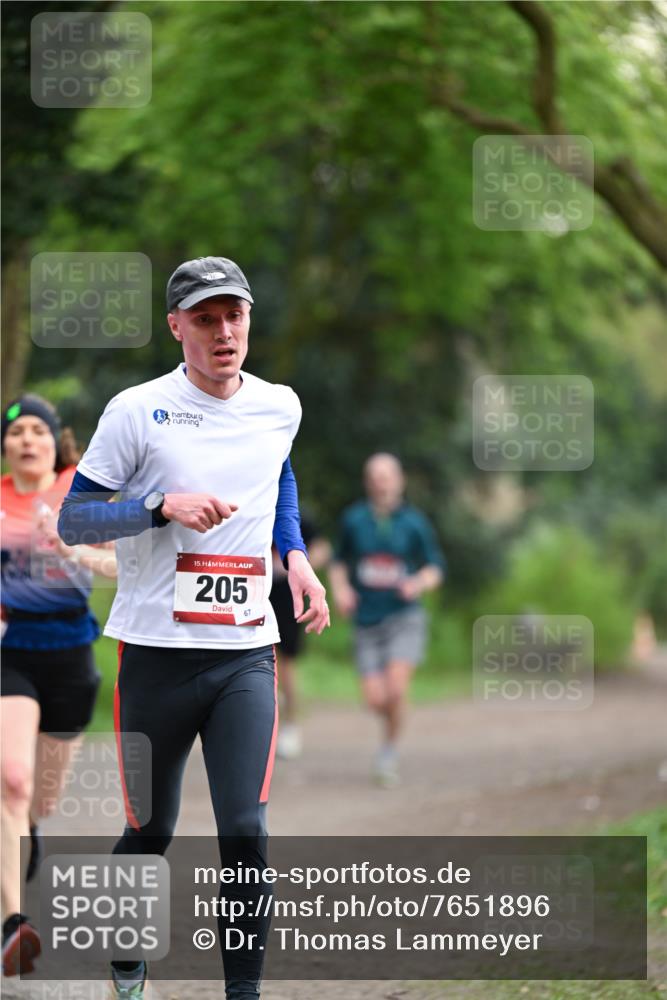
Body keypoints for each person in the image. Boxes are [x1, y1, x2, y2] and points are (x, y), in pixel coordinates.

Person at [57, 256, 329, 1000]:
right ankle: (124, 949)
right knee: (152, 829)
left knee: (245, 827)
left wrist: (294, 556)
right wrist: (157, 507)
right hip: (154, 654)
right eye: (204, 319)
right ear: (176, 326)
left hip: (245, 649)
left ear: (249, 320)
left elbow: (277, 474)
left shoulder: (279, 404)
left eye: (233, 315)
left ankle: (243, 993)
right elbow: (74, 515)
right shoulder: (136, 410)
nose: (222, 332)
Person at [1, 394, 116, 976]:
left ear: (55, 441)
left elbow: (125, 560)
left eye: (37, 431)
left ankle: (31, 829)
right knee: (13, 781)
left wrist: (77, 546)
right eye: (16, 431)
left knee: (39, 799)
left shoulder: (81, 490)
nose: (26, 440)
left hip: (71, 654)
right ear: (6, 445)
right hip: (10, 652)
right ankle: (14, 926)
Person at [329, 452, 444, 786]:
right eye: (375, 476)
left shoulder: (415, 523)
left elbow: (435, 567)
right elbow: (338, 562)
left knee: (395, 689)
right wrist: (341, 590)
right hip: (366, 620)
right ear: (368, 482)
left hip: (404, 617)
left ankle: (388, 752)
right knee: (375, 699)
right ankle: (394, 718)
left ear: (399, 480)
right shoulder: (353, 520)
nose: (381, 481)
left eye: (387, 475)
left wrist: (418, 582)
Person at [270, 512, 331, 759]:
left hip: (286, 600)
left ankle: (290, 725)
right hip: (250, 595)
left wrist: (296, 566)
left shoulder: (294, 514)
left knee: (286, 666)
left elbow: (323, 548)